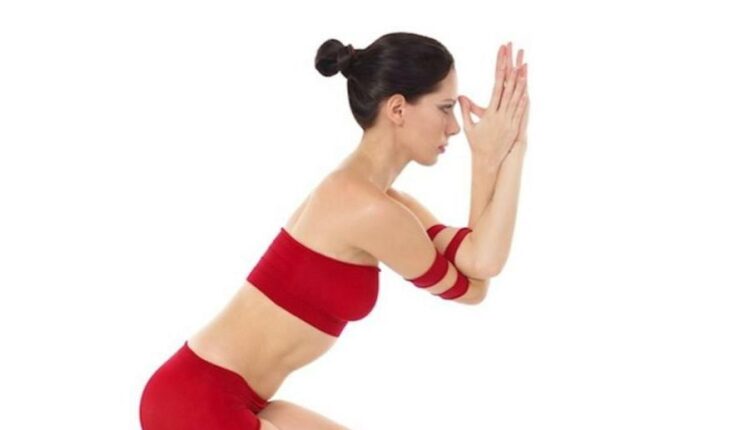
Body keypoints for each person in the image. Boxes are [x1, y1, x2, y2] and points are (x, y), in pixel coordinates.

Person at [139, 31, 529, 430]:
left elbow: (478, 258)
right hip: (198, 401)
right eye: (445, 108)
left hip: (226, 395)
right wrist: (499, 157)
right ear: (398, 109)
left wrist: (499, 154)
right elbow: (475, 285)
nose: (454, 127)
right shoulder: (368, 209)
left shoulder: (381, 199)